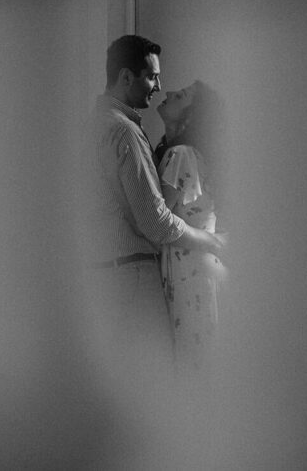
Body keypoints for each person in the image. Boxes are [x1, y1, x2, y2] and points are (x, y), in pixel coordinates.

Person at [88, 35, 225, 375]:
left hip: (104, 272)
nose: (159, 86)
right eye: (151, 76)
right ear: (125, 77)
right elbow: (155, 222)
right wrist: (211, 241)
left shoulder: (95, 125)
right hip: (131, 273)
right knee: (157, 380)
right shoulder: (125, 134)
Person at [153, 80, 227, 371]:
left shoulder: (180, 155)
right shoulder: (190, 154)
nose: (168, 93)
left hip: (189, 271)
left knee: (190, 361)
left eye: (180, 95)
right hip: (201, 268)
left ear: (191, 116)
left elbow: (156, 219)